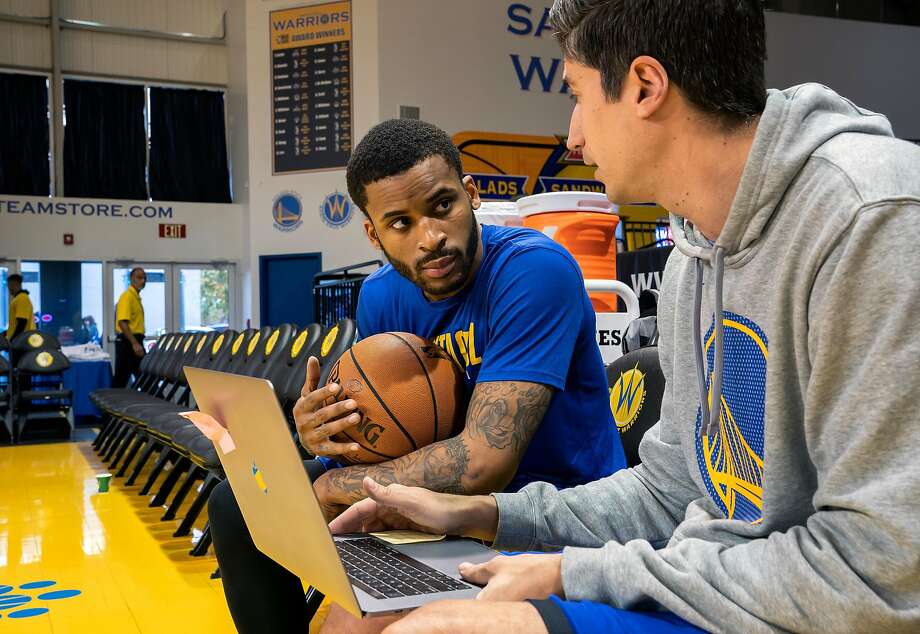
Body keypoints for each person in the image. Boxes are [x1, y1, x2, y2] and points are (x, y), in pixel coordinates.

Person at [320, 0, 920, 632]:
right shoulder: (693, 252)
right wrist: (486, 515)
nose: (573, 136)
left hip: (804, 606)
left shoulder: (871, 218)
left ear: (645, 87)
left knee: (433, 629)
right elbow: (669, 490)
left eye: (578, 96)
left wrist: (571, 572)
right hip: (717, 581)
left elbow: (878, 574)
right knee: (353, 618)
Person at [207, 118, 628, 632]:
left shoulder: (533, 272)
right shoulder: (382, 296)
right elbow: (387, 436)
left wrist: (335, 483)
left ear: (470, 194)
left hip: (546, 508)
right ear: (373, 232)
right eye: (400, 223)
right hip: (432, 504)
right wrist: (328, 436)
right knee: (241, 501)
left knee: (349, 628)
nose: (430, 238)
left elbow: (480, 465)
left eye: (442, 206)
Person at [113, 267, 146, 388]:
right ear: (131, 279)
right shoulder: (127, 296)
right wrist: (135, 344)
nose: (142, 281)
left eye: (144, 278)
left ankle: (158, 402)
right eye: (139, 277)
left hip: (135, 340)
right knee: (122, 378)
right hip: (129, 341)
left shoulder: (136, 298)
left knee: (144, 376)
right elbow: (122, 322)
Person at [5, 274, 36, 341]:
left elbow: (22, 322)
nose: (9, 289)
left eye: (9, 286)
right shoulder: (18, 298)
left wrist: (13, 339)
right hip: (21, 339)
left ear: (14, 284)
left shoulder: (22, 298)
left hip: (22, 341)